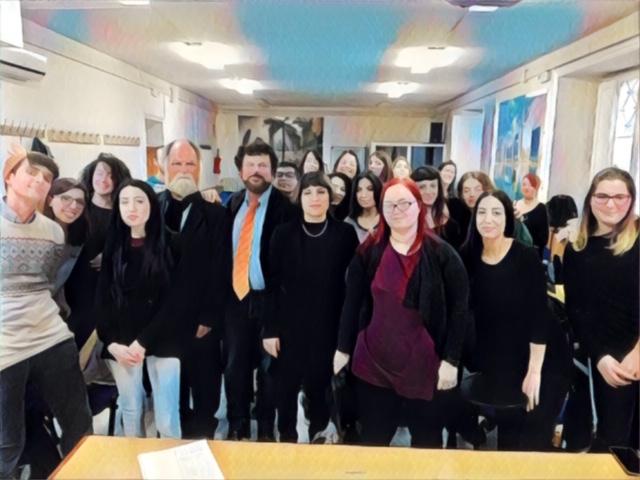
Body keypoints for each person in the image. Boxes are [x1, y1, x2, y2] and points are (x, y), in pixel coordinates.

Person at [334, 178, 470, 448]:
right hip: (374, 363)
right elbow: (352, 303)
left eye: (404, 203)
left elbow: (459, 310)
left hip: (425, 366)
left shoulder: (442, 254)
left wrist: (451, 360)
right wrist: (343, 349)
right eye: (389, 205)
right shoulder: (369, 251)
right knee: (373, 442)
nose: (396, 210)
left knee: (427, 445)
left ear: (419, 206)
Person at [1, 146, 92, 478]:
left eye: (47, 178)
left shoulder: (53, 232)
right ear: (9, 177)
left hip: (50, 337)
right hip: (5, 346)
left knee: (79, 425)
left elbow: (47, 283)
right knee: (7, 440)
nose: (40, 181)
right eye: (31, 173)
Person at [462, 190, 571, 451]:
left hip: (543, 357)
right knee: (508, 440)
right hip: (503, 359)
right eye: (482, 212)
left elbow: (539, 314)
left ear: (507, 218)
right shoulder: (467, 256)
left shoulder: (525, 256)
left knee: (533, 439)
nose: (488, 219)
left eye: (496, 212)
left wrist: (534, 372)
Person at [262, 172, 359, 443]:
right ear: (299, 197)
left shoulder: (345, 234)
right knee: (285, 390)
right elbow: (271, 284)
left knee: (320, 390)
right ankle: (287, 438)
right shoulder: (283, 234)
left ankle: (318, 438)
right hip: (288, 327)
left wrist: (345, 337)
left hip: (328, 326)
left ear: (330, 196)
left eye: (321, 191)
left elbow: (353, 287)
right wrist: (269, 329)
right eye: (308, 192)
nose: (314, 198)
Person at [96, 179, 181, 438]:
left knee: (166, 417)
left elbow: (176, 301)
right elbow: (103, 298)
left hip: (163, 337)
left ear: (152, 205)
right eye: (124, 202)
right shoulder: (114, 245)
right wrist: (111, 342)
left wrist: (144, 341)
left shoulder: (172, 242)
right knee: (131, 409)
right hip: (122, 340)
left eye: (139, 201)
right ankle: (134, 459)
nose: (131, 208)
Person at [157, 139, 230, 439]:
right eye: (177, 163)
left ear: (200, 168)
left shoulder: (216, 214)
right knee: (169, 394)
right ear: (163, 167)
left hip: (201, 320)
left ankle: (204, 440)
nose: (184, 170)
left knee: (204, 387)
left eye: (190, 164)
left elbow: (221, 268)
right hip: (160, 320)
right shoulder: (150, 208)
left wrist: (209, 316)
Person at [225, 140, 297, 441]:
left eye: (263, 165)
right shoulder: (232, 204)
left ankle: (266, 429)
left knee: (270, 371)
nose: (256, 171)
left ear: (272, 171)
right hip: (236, 299)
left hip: (270, 300)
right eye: (251, 165)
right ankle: (237, 424)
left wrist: (276, 321)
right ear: (241, 170)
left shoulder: (287, 210)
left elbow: (288, 270)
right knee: (235, 367)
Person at [564, 167, 639, 451]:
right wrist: (600, 357)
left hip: (636, 350)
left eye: (620, 197)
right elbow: (576, 310)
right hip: (608, 359)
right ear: (590, 200)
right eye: (602, 196)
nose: (611, 204)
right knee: (613, 443)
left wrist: (638, 352)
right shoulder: (577, 248)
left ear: (631, 200)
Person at [66, 154, 131, 349]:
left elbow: (136, 245)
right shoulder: (78, 208)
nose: (104, 179)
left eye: (111, 175)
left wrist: (111, 256)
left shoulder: (124, 212)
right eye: (100, 173)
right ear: (91, 175)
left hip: (109, 288)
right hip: (76, 285)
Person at [411, 167, 463, 249]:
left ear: (439, 188)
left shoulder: (452, 219)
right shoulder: (408, 220)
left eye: (433, 186)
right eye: (422, 187)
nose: (428, 191)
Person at [514, 173, 549, 256]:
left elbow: (543, 239)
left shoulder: (541, 208)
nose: (526, 188)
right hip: (514, 251)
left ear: (536, 188)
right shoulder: (515, 204)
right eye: (524, 184)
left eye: (530, 185)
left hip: (531, 253)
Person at [344, 172, 382, 243]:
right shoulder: (349, 222)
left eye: (370, 189)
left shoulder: (388, 219)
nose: (363, 195)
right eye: (359, 190)